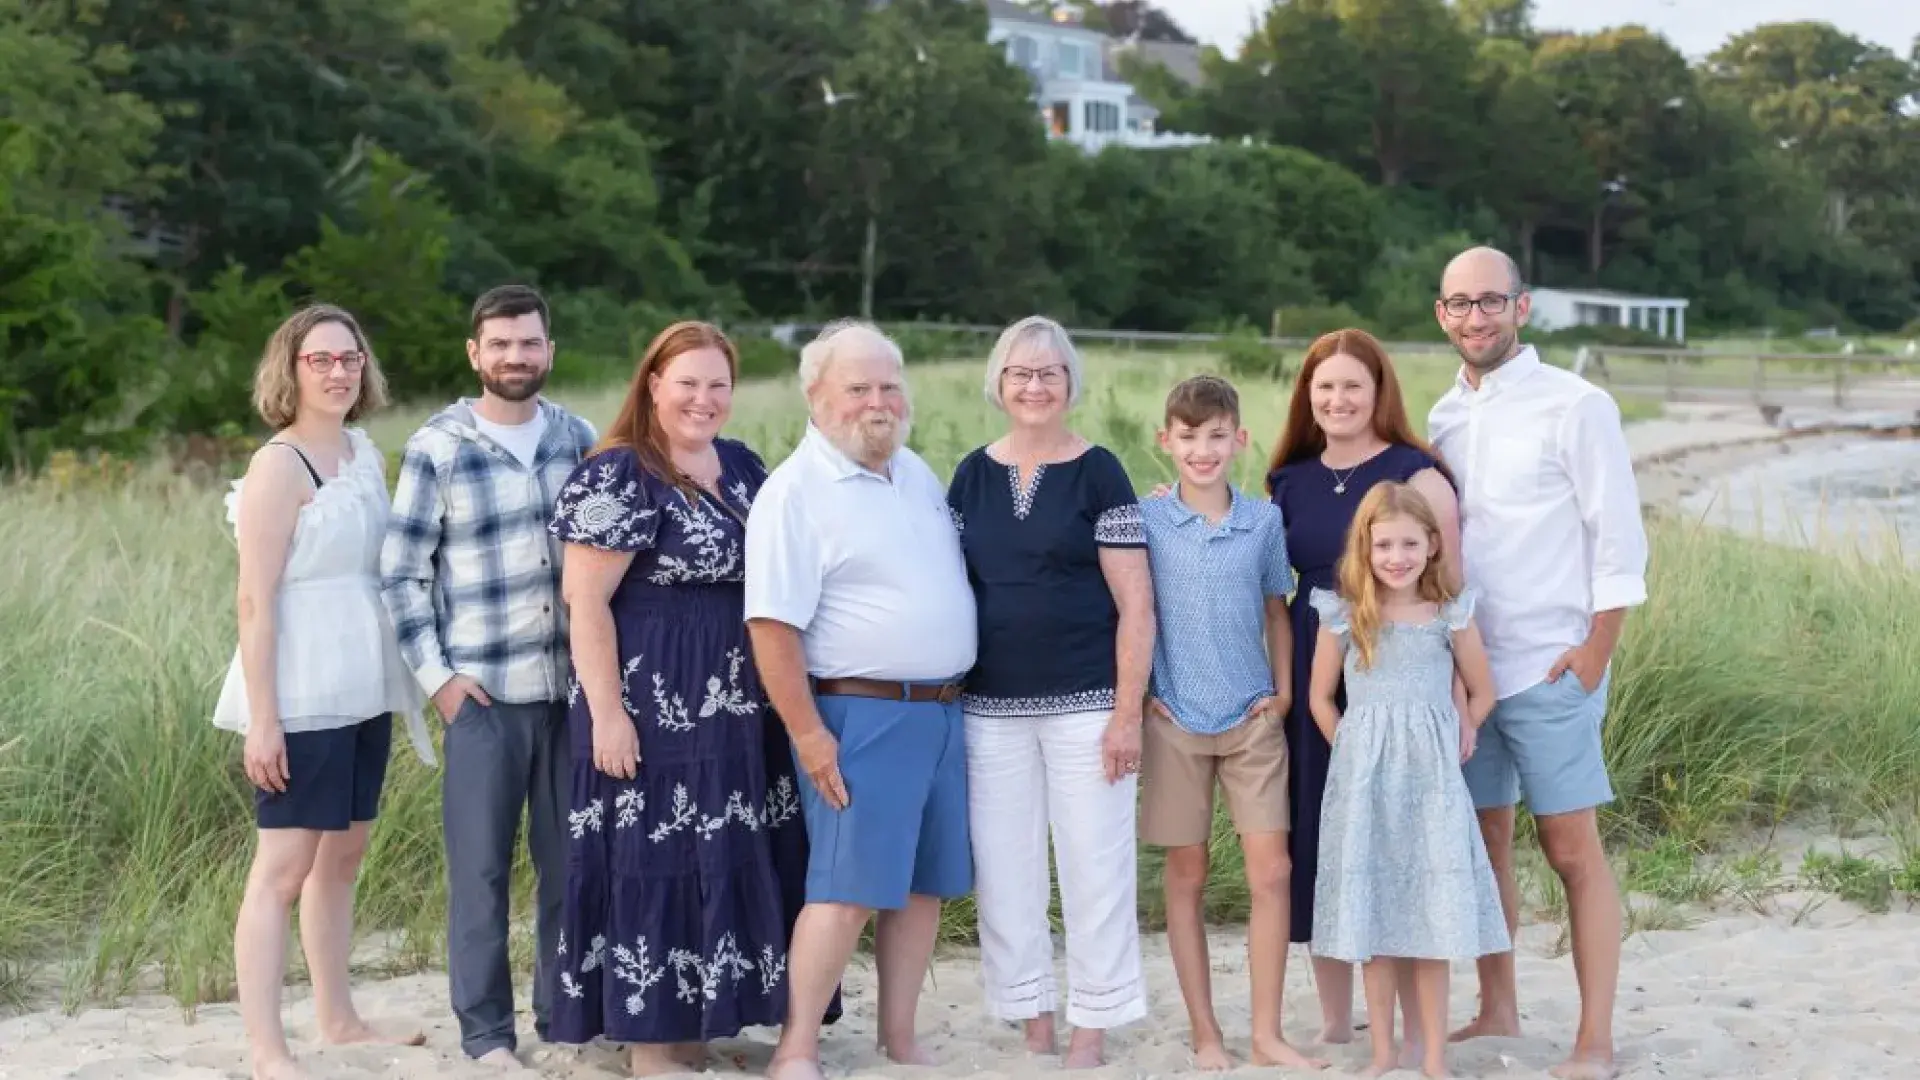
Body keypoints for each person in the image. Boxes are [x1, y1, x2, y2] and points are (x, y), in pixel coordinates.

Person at [542, 321, 828, 1073]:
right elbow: (587, 602)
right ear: (653, 385)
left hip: (739, 707)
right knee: (653, 855)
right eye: (687, 383)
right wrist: (607, 713)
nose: (704, 399)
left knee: (726, 852)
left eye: (718, 385)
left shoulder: (740, 466)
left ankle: (701, 1023)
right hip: (651, 701)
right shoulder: (617, 475)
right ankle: (651, 1045)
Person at [1428, 246, 1649, 1080]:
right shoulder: (1444, 416)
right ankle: (1499, 1004)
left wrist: (1595, 652)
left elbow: (1618, 534)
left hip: (1553, 666)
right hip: (1471, 669)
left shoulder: (1577, 405)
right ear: (1441, 315)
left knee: (1569, 849)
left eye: (1491, 301)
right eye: (1459, 304)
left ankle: (1595, 1040)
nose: (1475, 317)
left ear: (1522, 308)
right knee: (1486, 840)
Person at [743, 319, 977, 1080]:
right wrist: (809, 735)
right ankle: (797, 1047)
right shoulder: (795, 493)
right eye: (857, 388)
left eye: (888, 385)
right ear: (816, 395)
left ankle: (899, 1040)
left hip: (941, 712)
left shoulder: (914, 471)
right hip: (859, 714)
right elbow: (772, 628)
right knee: (845, 890)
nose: (877, 402)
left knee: (920, 887)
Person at [214, 304, 436, 1080]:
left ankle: (339, 1019)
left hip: (365, 681)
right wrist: (263, 720)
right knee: (282, 868)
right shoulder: (280, 465)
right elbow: (254, 600)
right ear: (292, 369)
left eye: (350, 359)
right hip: (301, 686)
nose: (339, 372)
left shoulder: (361, 451)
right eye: (322, 360)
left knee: (344, 854)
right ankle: (266, 1046)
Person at [380, 285, 598, 1070]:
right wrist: (438, 679)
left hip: (572, 696)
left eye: (529, 343)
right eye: (500, 344)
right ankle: (487, 1037)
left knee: (572, 867)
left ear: (549, 349)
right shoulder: (437, 447)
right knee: (480, 875)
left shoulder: (579, 438)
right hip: (482, 698)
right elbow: (401, 576)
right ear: (475, 353)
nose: (516, 357)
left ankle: (563, 1017)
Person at [945, 316, 1154, 1068]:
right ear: (999, 383)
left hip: (1089, 704)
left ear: (1070, 385)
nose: (1035, 386)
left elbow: (1136, 604)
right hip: (988, 707)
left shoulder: (1100, 471)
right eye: (1020, 373)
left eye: (1050, 374)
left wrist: (1127, 713)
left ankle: (1093, 1024)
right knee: (1006, 870)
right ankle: (1029, 1013)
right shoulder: (970, 473)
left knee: (1096, 865)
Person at [1266, 328, 1460, 1047]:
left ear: (1380, 390)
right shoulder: (1287, 477)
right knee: (1320, 830)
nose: (1339, 399)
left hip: (1397, 670)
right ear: (1307, 398)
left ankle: (1412, 1024)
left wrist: (1456, 707)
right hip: (1316, 658)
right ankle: (1334, 1018)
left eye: (1353, 385)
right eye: (1325, 388)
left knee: (1401, 841)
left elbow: (1449, 589)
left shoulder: (1419, 471)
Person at [1136, 375, 1323, 1073]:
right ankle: (1206, 1032)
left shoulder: (1264, 522)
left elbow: (1278, 610)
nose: (1203, 450)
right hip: (1174, 718)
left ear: (1239, 440)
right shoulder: (1146, 519)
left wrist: (1280, 695)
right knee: (1186, 873)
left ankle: (1269, 1032)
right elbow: (1132, 612)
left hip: (1251, 719)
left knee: (1271, 872)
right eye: (1188, 437)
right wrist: (1145, 692)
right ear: (1166, 442)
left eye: (1217, 436)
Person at [1305, 482, 1509, 1080]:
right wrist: (1349, 743)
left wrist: (1464, 727)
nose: (1397, 557)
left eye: (1409, 544)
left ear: (1433, 545)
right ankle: (1385, 1056)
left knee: (1431, 916)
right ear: (1363, 549)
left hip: (1431, 784)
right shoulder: (1344, 613)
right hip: (1365, 782)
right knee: (1375, 917)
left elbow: (1483, 688)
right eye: (1384, 544)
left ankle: (1435, 1061)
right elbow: (1320, 697)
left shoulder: (1450, 612)